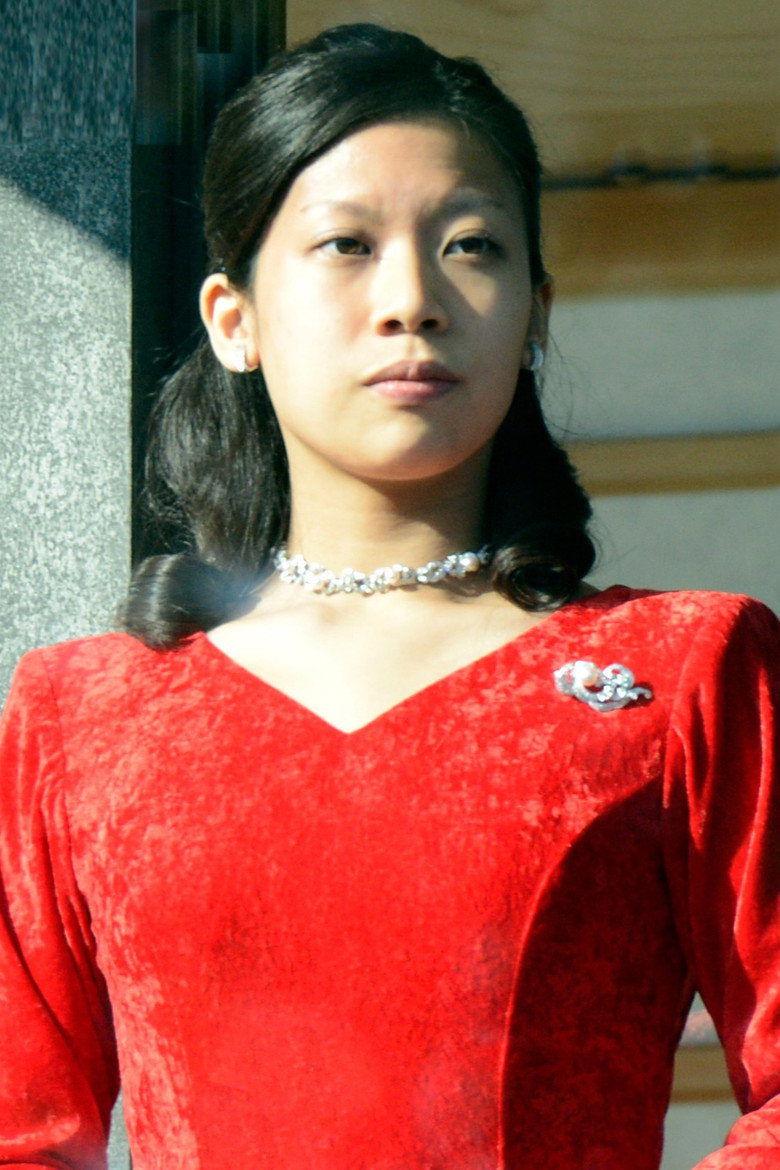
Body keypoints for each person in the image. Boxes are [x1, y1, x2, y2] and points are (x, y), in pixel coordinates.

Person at [0, 23, 777, 1170]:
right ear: (233, 319)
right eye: (347, 245)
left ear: (536, 313)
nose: (412, 298)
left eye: (471, 245)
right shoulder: (82, 715)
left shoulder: (686, 671)